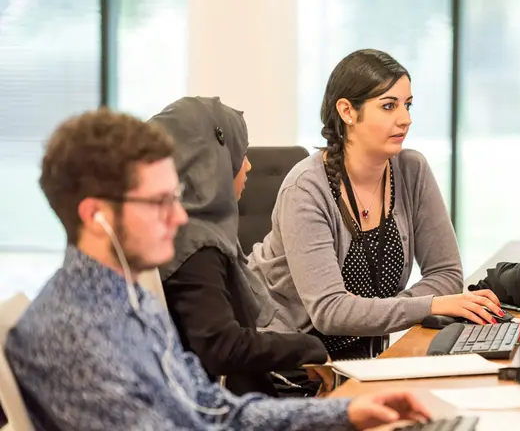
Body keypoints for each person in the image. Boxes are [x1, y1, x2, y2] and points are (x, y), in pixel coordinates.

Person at [3, 108, 430, 430]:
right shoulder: (77, 334)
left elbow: (211, 406)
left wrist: (344, 413)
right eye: (159, 202)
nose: (178, 217)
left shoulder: (127, 299)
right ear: (96, 215)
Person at [248, 49, 504, 360]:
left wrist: (382, 311)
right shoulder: (306, 189)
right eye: (388, 106)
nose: (405, 119)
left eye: (407, 105)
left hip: (365, 358)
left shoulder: (411, 170)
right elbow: (330, 311)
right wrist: (429, 305)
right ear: (347, 112)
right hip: (293, 363)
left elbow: (446, 273)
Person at [150, 96, 329, 398]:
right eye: (240, 154)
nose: (248, 165)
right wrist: (308, 348)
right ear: (211, 163)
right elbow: (222, 347)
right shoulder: (196, 246)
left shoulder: (188, 232)